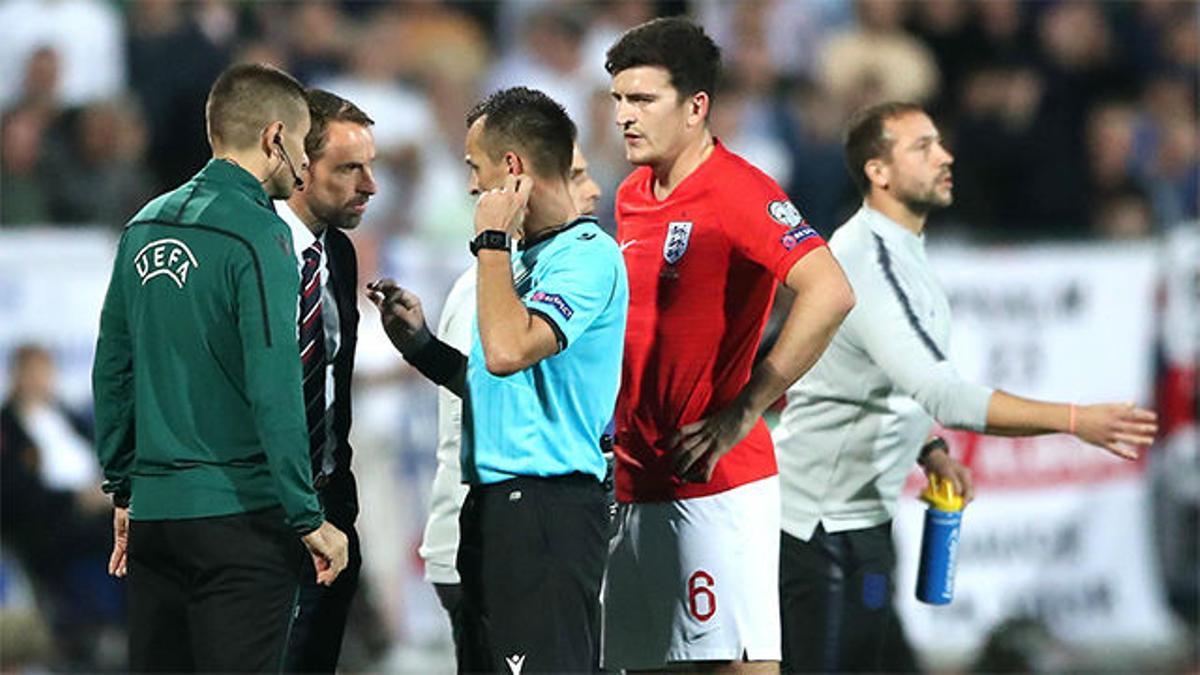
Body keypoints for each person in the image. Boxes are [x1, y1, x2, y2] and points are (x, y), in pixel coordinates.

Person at [771, 101, 1160, 673]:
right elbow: (946, 394)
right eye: (922, 147)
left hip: (861, 524)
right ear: (877, 172)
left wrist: (928, 451)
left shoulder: (902, 251)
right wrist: (1078, 420)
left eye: (940, 143)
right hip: (822, 534)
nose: (944, 156)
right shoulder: (867, 260)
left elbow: (869, 379)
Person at [601, 17, 856, 673]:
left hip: (715, 480)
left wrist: (745, 409)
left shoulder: (737, 190)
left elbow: (829, 290)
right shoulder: (632, 194)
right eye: (618, 100)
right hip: (636, 477)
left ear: (695, 107)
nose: (625, 116)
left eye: (643, 100)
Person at [91, 63, 349, 672]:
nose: (305, 169)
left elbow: (112, 368)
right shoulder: (259, 233)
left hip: (154, 520)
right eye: (301, 146)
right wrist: (307, 514)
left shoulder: (143, 223)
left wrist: (123, 488)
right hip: (239, 523)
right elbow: (275, 383)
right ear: (272, 139)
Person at [368, 87, 627, 672]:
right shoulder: (519, 262)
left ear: (510, 169)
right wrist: (423, 348)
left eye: (473, 168)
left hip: (548, 511)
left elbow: (509, 352)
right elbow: (498, 386)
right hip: (496, 510)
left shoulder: (588, 255)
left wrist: (490, 241)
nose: (468, 186)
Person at [418, 143, 602, 658]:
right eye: (577, 176)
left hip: (511, 529)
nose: (592, 190)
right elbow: (497, 365)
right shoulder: (488, 285)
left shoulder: (543, 273)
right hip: (492, 531)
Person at [272, 88, 376, 673]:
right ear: (299, 166)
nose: (370, 186)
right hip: (265, 519)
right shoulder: (247, 250)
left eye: (370, 166)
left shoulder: (337, 252)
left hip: (332, 508)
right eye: (350, 169)